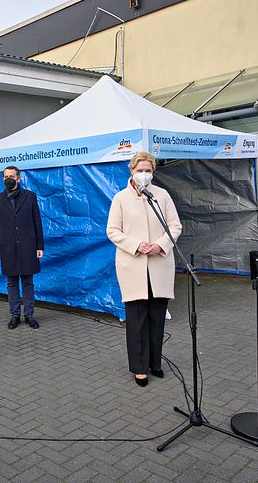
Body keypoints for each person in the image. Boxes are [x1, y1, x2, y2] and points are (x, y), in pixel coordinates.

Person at [106, 152, 182, 387]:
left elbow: (175, 225)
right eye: (140, 170)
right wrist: (137, 245)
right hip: (133, 266)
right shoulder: (120, 198)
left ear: (153, 172)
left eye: (148, 170)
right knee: (137, 320)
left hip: (159, 264)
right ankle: (139, 368)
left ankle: (155, 362)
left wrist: (159, 245)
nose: (144, 174)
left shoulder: (162, 195)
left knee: (156, 318)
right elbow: (113, 231)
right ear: (131, 171)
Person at [0, 166, 44, 329]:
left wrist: (39, 246)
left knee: (28, 282)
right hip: (7, 248)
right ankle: (15, 316)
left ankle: (29, 315)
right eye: (5, 176)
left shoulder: (30, 196)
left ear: (18, 178)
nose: (8, 179)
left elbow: (37, 222)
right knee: (11, 283)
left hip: (28, 246)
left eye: (11, 176)